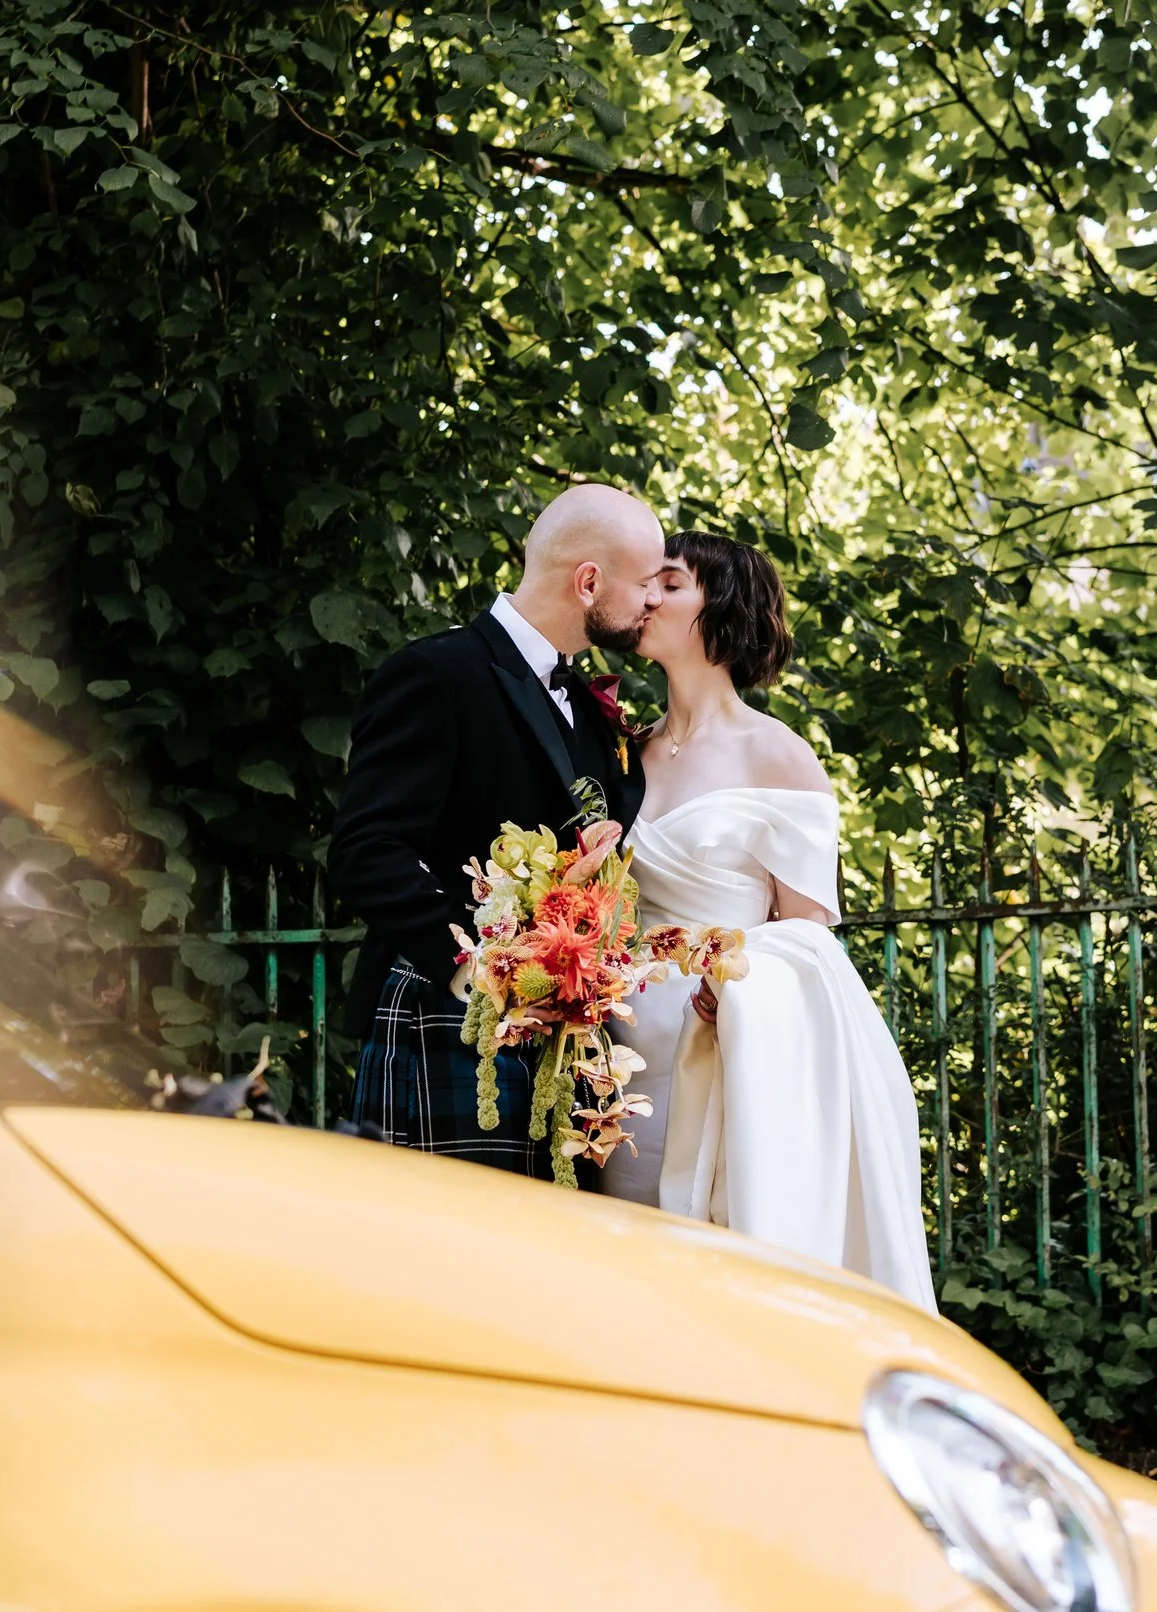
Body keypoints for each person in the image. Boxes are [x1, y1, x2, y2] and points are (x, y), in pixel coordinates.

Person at [595, 529, 937, 1311]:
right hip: (622, 1050)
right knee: (635, 1264)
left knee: (721, 1261)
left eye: (669, 583)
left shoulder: (780, 756)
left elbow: (810, 940)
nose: (646, 596)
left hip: (721, 1039)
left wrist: (737, 990)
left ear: (720, 606)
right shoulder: (625, 755)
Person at [330, 483, 666, 1177]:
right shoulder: (435, 674)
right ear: (589, 581)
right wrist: (476, 970)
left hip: (564, 1046)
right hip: (447, 1022)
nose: (651, 602)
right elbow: (367, 851)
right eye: (642, 584)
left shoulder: (588, 703)